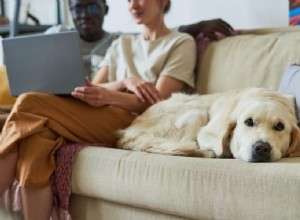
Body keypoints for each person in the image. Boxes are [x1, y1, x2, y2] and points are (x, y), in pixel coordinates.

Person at [0, 0, 199, 219]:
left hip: (140, 121)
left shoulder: (181, 42)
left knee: (29, 102)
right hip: (101, 113)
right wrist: (125, 81)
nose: (133, 4)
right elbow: (94, 87)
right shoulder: (121, 44)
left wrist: (111, 96)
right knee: (36, 138)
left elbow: (158, 100)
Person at [46, 0, 234, 78]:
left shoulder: (117, 40)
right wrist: (124, 83)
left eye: (92, 8)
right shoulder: (55, 35)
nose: (85, 15)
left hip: (97, 105)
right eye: (78, 9)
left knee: (31, 110)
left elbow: (158, 39)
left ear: (105, 10)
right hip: (74, 100)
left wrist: (195, 27)